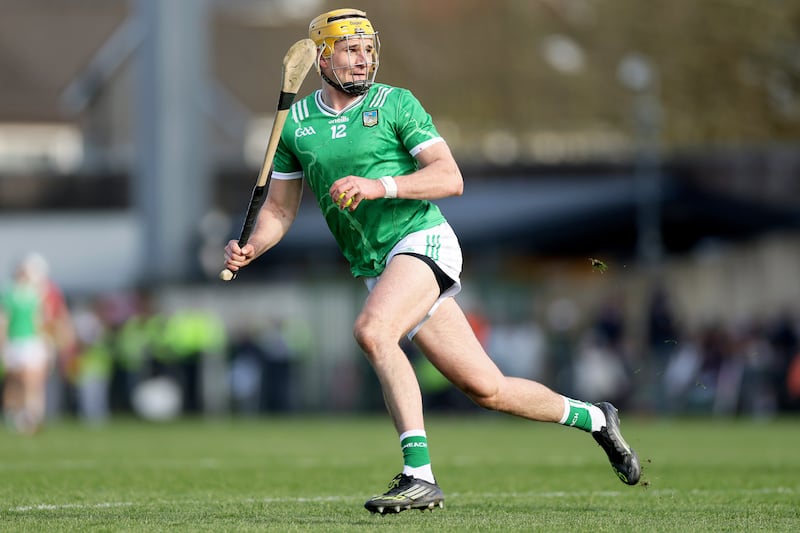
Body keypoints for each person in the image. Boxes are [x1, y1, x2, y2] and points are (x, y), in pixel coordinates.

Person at [223, 8, 641, 514]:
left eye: (369, 49)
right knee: (486, 387)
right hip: (377, 266)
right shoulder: (296, 126)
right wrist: (253, 246)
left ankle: (418, 475)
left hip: (421, 240)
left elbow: (450, 177)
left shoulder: (396, 104)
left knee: (374, 332)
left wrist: (381, 186)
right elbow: (280, 210)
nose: (364, 60)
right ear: (323, 57)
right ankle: (597, 419)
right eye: (351, 50)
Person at [0, 253, 73, 434]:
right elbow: (4, 321)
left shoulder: (38, 295)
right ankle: (14, 414)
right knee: (15, 381)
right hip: (15, 342)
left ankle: (32, 415)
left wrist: (52, 339)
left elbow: (43, 320)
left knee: (33, 381)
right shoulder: (9, 294)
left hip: (33, 342)